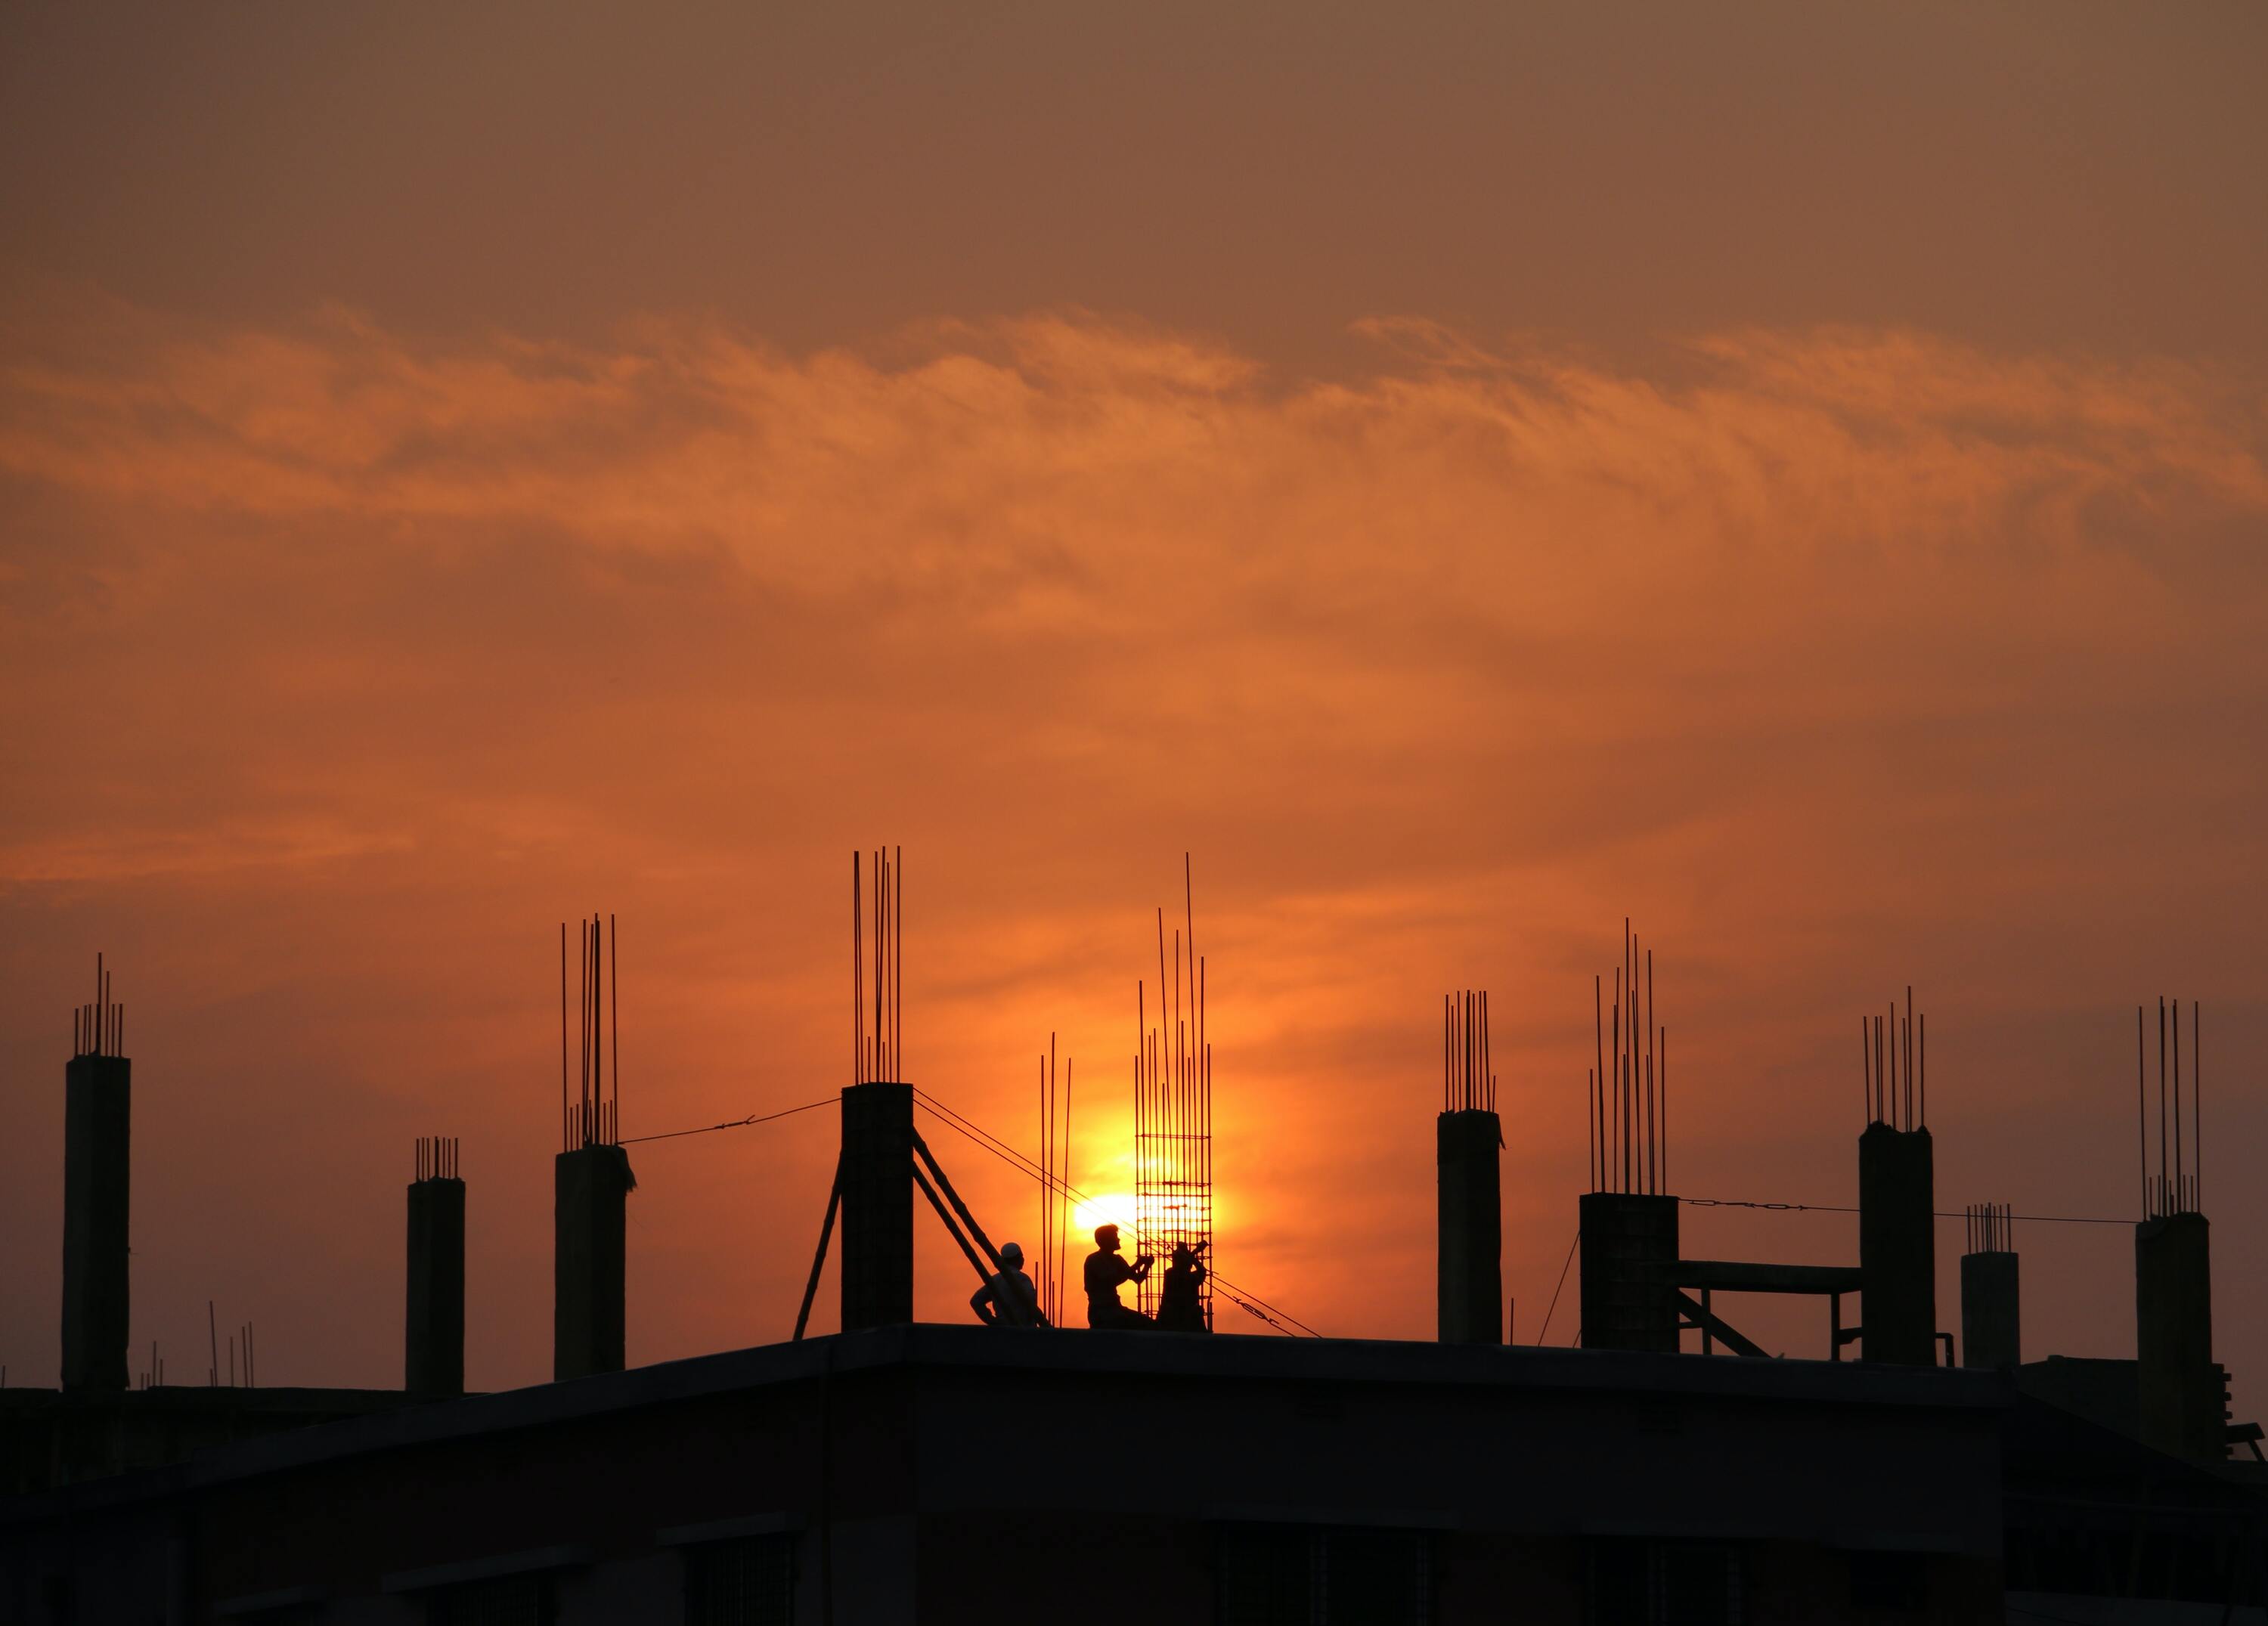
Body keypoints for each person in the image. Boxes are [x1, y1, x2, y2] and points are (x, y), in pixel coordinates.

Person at [1083, 1224, 1155, 1330]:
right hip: (1101, 1312)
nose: (1118, 1239)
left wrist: (1147, 1266)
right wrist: (1137, 1264)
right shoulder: (1094, 1259)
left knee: (1149, 1324)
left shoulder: (1117, 1259)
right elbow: (1110, 1281)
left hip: (1116, 1308)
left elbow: (1138, 1279)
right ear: (1106, 1240)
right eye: (1115, 1236)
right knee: (1126, 1323)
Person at [969, 1240, 1046, 1327]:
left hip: (1003, 1331)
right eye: (1021, 1256)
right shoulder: (1023, 1279)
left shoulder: (995, 1280)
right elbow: (1031, 1301)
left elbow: (976, 1301)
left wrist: (993, 1321)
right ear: (1018, 1258)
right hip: (1024, 1330)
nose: (1023, 1259)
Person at [1154, 1240, 1210, 1332]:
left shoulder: (1184, 1275)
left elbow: (1201, 1271)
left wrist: (1191, 1256)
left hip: (1181, 1319)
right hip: (1174, 1320)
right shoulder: (1173, 1274)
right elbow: (1201, 1271)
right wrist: (1193, 1256)